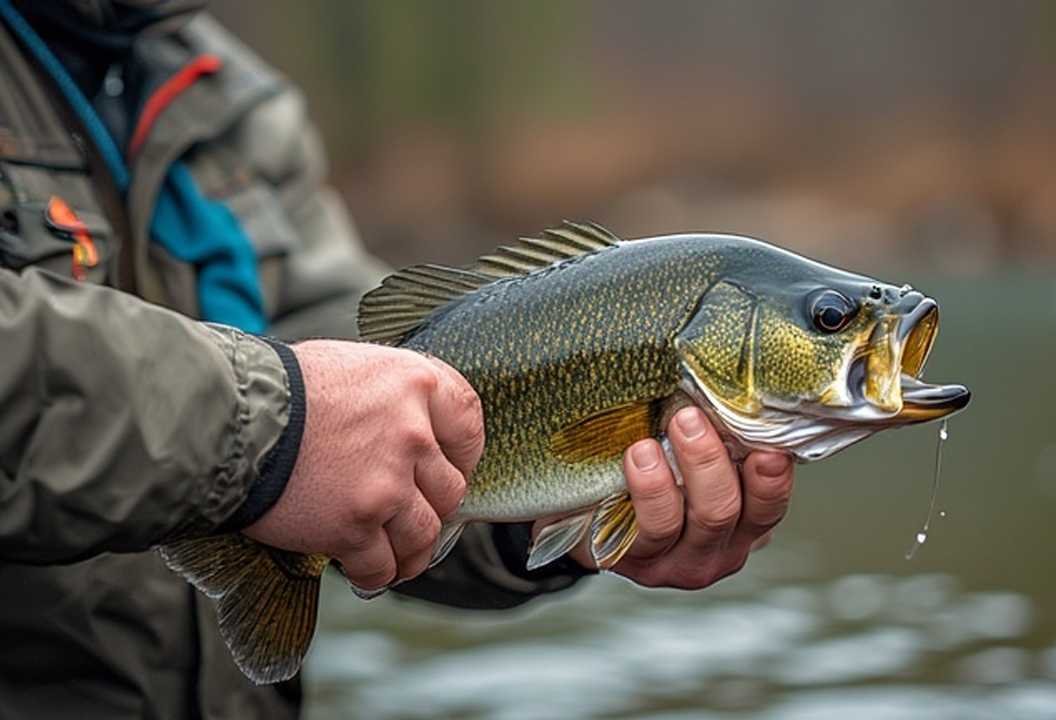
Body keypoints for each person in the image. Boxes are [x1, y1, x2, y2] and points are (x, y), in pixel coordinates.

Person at [0, 2, 797, 718]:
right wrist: (269, 435)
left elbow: (362, 377)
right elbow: (297, 423)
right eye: (827, 320)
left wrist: (559, 518)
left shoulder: (233, 101)